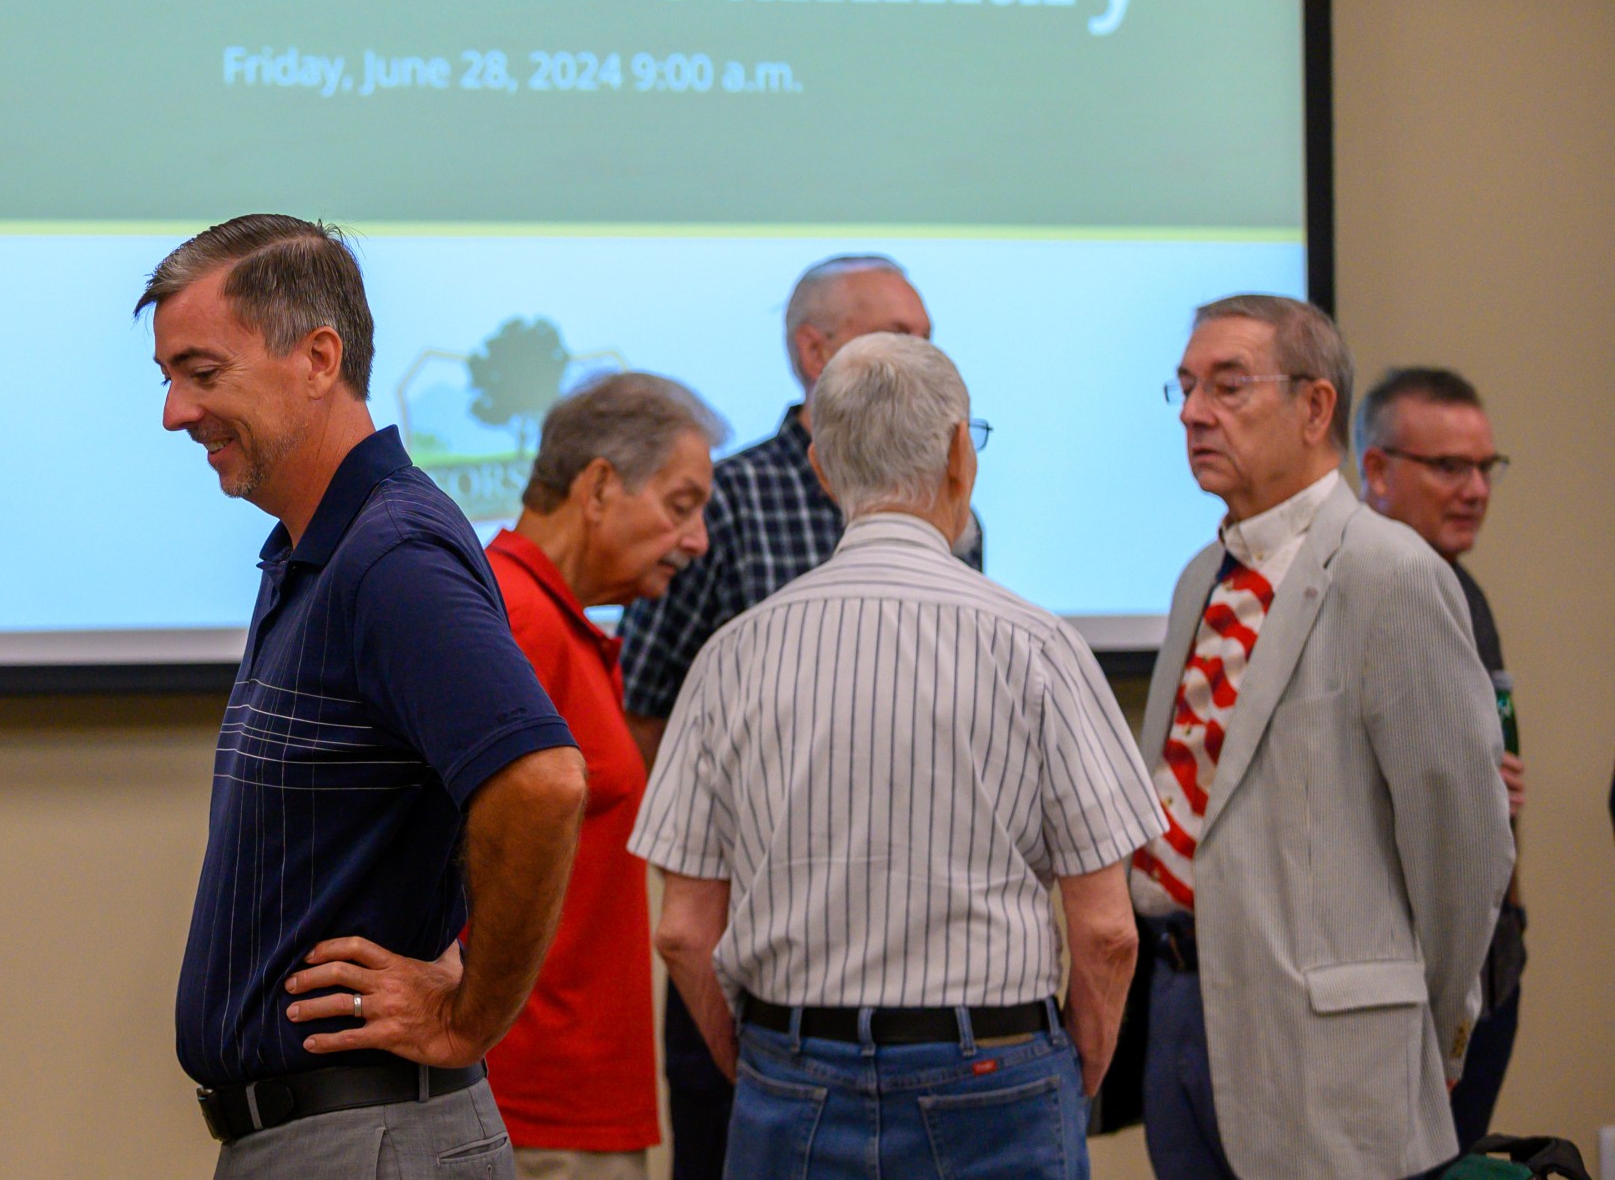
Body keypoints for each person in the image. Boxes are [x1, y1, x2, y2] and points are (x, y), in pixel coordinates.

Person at [631, 334, 1159, 1180]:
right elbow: (1105, 932)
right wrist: (1074, 1074)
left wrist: (769, 1066)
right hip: (998, 1070)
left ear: (822, 469)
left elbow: (686, 932)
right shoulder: (1041, 647)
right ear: (961, 456)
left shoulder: (731, 655)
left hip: (789, 1067)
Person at [138, 215, 588, 1180]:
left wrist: (472, 1017)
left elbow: (543, 783)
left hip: (368, 1140)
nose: (176, 412)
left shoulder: (390, 556)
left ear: (318, 357)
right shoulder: (314, 549)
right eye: (168, 377)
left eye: (203, 373)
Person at [1129, 296, 1514, 1180]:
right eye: (1185, 388)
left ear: (1314, 408)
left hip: (1333, 1047)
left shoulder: (1389, 571)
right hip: (1184, 1012)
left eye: (1229, 387)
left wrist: (1431, 1032)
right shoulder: (1201, 576)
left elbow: (1462, 840)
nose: (1193, 412)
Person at [615, 254, 966, 1179]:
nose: (927, 358)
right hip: (755, 965)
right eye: (902, 336)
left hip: (926, 964)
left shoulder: (955, 505)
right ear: (815, 352)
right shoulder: (722, 501)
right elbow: (647, 711)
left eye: (930, 337)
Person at [482, 373, 724, 1180]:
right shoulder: (515, 619)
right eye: (681, 505)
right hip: (535, 1104)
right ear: (597, 486)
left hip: (578, 1096)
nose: (697, 541)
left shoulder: (557, 621)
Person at [1357, 365, 1524, 1147]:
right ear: (1377, 470)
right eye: (1450, 467)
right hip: (1390, 982)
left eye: (1484, 467)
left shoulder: (1466, 590)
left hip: (1487, 965)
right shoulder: (1347, 592)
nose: (1476, 489)